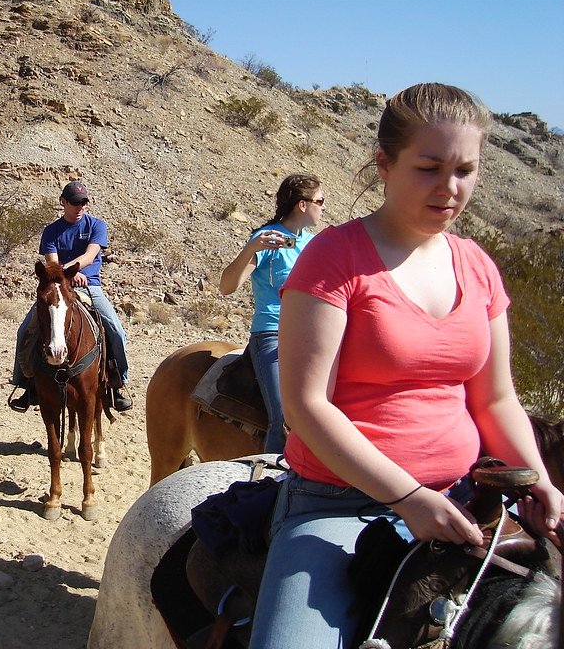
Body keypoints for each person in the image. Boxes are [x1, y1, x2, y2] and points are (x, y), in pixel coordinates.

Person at [249, 83, 564, 648]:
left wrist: (539, 482)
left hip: (466, 499)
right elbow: (305, 404)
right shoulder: (334, 257)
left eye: (466, 170)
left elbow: (495, 399)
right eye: (429, 167)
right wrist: (408, 498)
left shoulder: (476, 266)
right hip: (339, 505)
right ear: (385, 164)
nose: (450, 188)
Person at [218, 174, 325, 453]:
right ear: (302, 205)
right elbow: (227, 287)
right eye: (320, 201)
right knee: (285, 417)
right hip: (272, 333)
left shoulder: (314, 244)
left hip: (313, 336)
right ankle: (271, 480)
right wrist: (251, 248)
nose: (323, 207)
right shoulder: (266, 240)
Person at [9, 181, 132, 412]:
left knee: (115, 329)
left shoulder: (97, 225)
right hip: (58, 288)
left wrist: (72, 272)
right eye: (75, 202)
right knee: (26, 330)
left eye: (83, 202)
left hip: (90, 286)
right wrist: (66, 276)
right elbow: (51, 263)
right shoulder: (52, 231)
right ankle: (25, 384)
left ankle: (118, 384)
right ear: (63, 202)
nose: (80, 207)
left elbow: (90, 255)